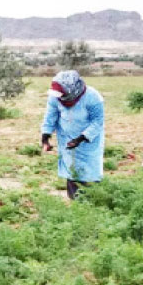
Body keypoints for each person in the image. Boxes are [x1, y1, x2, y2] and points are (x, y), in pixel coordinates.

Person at [40, 70, 104, 199]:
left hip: (88, 140)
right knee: (71, 168)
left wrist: (80, 139)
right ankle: (75, 202)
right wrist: (45, 137)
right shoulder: (55, 97)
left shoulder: (93, 97)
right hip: (66, 137)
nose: (59, 97)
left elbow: (97, 122)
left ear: (71, 89)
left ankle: (93, 201)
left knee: (89, 170)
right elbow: (50, 116)